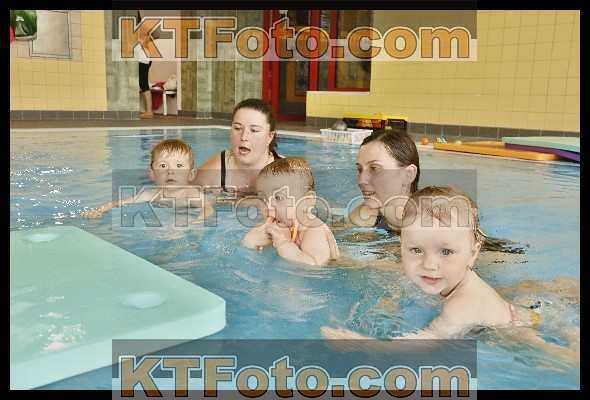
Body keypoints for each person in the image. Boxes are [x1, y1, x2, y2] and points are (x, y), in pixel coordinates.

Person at [80, 138, 213, 222]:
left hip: (196, 208)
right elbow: (119, 203)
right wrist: (99, 210)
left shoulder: (192, 195)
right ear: (152, 174)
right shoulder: (151, 195)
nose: (170, 171)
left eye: (179, 166)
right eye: (163, 166)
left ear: (191, 174)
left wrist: (199, 220)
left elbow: (208, 209)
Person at [242, 157, 339, 266]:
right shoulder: (268, 227)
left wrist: (284, 243)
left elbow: (314, 265)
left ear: (306, 202)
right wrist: (251, 240)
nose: (268, 206)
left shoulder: (313, 230)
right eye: (263, 198)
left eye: (278, 198)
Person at [191, 98, 282, 196]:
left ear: (269, 137)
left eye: (254, 130)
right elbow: (184, 194)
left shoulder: (286, 173)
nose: (244, 137)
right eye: (238, 128)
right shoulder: (216, 169)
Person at [348, 130, 420, 231]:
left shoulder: (433, 223)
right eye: (360, 169)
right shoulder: (363, 216)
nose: (361, 181)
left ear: (408, 175)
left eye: (374, 168)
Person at [137, 11, 159, 119]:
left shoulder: (141, 25)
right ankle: (147, 111)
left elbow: (157, 34)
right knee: (142, 83)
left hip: (143, 58)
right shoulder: (132, 26)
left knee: (143, 84)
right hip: (143, 58)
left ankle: (149, 111)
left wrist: (145, 41)